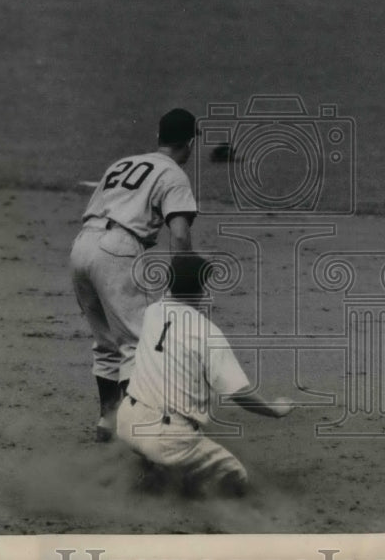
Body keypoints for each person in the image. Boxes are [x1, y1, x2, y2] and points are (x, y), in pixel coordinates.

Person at [117, 253, 295, 497]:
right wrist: (273, 410)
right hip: (168, 439)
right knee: (235, 477)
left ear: (168, 284)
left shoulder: (151, 312)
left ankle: (151, 468)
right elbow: (239, 393)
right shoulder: (207, 333)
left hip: (127, 422)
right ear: (201, 289)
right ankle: (174, 492)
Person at [71, 108, 199, 442]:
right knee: (138, 345)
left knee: (105, 342)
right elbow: (181, 234)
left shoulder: (121, 163)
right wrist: (184, 288)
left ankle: (108, 422)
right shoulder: (174, 176)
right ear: (189, 144)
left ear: (158, 137)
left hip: (82, 246)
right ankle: (140, 432)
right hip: (118, 250)